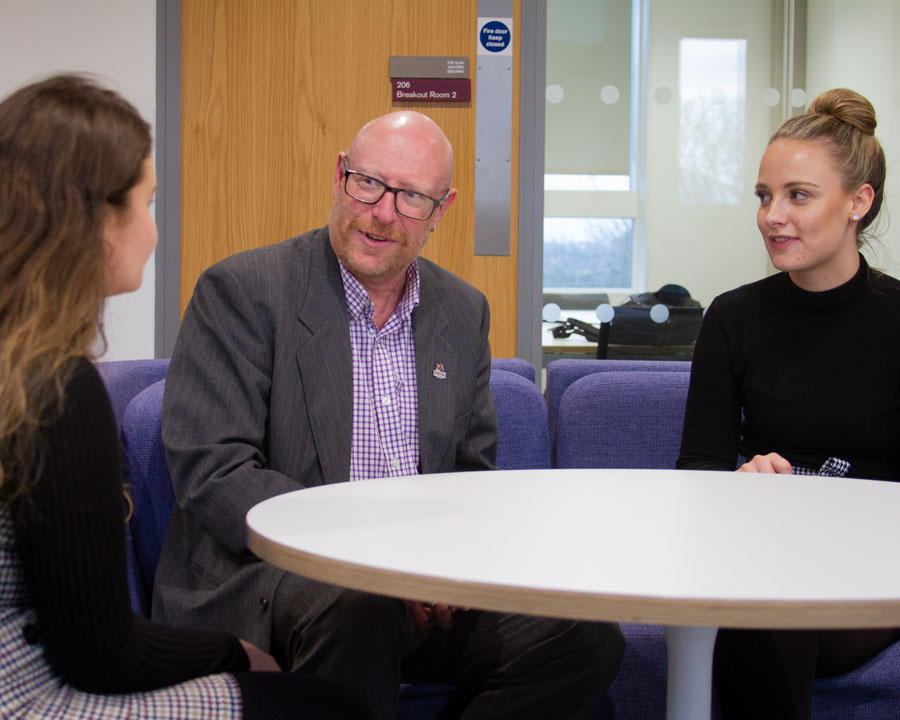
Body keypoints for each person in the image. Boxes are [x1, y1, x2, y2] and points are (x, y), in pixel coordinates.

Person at [153, 110, 625, 719]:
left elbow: (469, 476)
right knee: (360, 606)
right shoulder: (243, 290)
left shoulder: (461, 311)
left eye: (410, 197)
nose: (381, 211)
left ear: (441, 209)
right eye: (368, 183)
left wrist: (442, 572)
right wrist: (381, 567)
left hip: (418, 589)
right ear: (339, 176)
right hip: (269, 578)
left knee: (583, 637)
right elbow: (213, 471)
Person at [0, 74, 374, 720]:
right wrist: (232, 652)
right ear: (94, 217)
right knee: (324, 708)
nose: (151, 231)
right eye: (146, 204)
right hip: (28, 693)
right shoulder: (52, 389)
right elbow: (99, 655)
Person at [676, 87, 900, 719]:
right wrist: (738, 483)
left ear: (859, 202)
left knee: (772, 608)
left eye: (798, 195)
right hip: (764, 556)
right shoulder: (734, 318)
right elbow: (696, 475)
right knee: (765, 601)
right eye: (764, 195)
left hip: (874, 566)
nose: (773, 215)